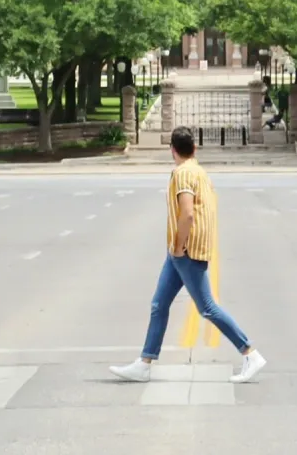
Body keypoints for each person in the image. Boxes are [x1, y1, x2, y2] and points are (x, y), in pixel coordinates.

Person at [110, 125, 266, 385]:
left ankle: (250, 353)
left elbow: (188, 213)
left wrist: (180, 245)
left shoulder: (182, 174)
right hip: (181, 251)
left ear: (172, 150)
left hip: (186, 249)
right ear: (194, 148)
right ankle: (144, 363)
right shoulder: (200, 172)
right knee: (159, 305)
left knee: (207, 308)